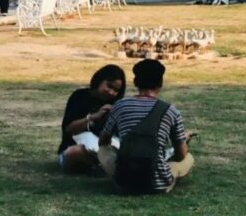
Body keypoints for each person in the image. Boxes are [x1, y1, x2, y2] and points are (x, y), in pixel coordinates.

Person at [98, 59, 194, 194]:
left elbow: (103, 141)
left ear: (136, 81)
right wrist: (183, 140)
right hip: (157, 184)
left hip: (124, 182)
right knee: (188, 158)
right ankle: (163, 178)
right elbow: (180, 155)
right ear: (160, 83)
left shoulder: (120, 106)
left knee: (103, 150)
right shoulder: (171, 111)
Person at [57, 64, 127, 173]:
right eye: (109, 86)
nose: (111, 92)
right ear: (99, 80)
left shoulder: (115, 104)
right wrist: (92, 117)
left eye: (116, 90)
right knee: (75, 152)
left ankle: (102, 166)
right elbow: (69, 129)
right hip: (77, 147)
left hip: (105, 148)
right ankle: (103, 167)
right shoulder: (79, 97)